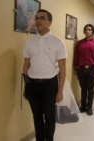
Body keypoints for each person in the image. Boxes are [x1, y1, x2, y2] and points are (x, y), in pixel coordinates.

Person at [22, 9, 67, 141]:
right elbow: (25, 65)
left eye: (42, 18)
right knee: (36, 115)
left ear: (50, 22)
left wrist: (60, 91)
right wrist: (26, 86)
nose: (38, 21)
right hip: (32, 84)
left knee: (49, 116)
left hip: (50, 84)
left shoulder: (58, 42)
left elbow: (63, 70)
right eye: (37, 18)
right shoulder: (30, 42)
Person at [74, 24, 94, 116]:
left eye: (90, 30)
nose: (87, 31)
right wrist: (75, 68)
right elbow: (76, 57)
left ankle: (89, 108)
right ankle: (83, 107)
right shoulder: (79, 43)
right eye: (86, 30)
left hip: (92, 69)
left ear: (93, 31)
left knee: (90, 90)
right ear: (84, 31)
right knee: (83, 89)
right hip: (81, 70)